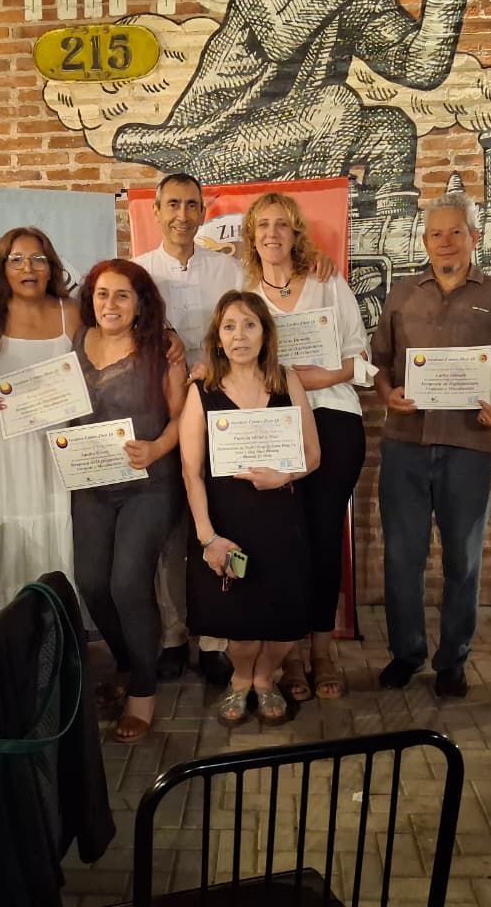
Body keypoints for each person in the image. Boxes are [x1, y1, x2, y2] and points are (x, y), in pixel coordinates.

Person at [113, 0, 472, 216]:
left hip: (313, 132)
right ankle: (310, 235)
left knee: (392, 129)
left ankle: (382, 243)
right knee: (336, 105)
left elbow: (421, 68)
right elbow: (282, 36)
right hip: (217, 146)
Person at [370, 192, 491, 697]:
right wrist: (387, 395)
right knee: (402, 556)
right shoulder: (401, 294)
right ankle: (406, 652)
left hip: (468, 444)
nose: (445, 242)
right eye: (435, 233)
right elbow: (380, 363)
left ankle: (453, 659)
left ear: (474, 238)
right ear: (424, 241)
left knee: (463, 559)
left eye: (455, 232)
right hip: (405, 444)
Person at [239, 192, 368, 701]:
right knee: (281, 541)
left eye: (282, 225)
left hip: (334, 418)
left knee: (320, 537)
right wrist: (285, 384)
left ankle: (321, 647)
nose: (272, 233)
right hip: (271, 426)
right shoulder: (244, 291)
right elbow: (237, 361)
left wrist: (303, 380)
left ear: (296, 234)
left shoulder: (327, 281)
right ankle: (288, 653)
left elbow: (359, 358)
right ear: (251, 236)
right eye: (262, 225)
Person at [180, 291, 321, 726]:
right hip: (229, 524)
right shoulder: (202, 390)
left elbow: (312, 455)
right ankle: (241, 678)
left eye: (248, 325)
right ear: (217, 338)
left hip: (281, 521)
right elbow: (190, 471)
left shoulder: (285, 380)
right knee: (238, 617)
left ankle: (266, 678)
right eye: (229, 326)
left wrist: (284, 477)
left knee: (282, 615)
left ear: (265, 332)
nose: (239, 335)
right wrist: (208, 536)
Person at [71, 259, 187, 743]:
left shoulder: (163, 349)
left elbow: (185, 416)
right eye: (102, 294)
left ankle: (143, 688)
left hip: (150, 484)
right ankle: (126, 660)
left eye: (122, 295)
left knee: (127, 583)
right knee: (92, 583)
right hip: (92, 484)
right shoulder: (76, 344)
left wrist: (158, 447)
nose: (110, 304)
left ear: (140, 302)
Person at [133, 173, 243, 685]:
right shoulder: (137, 273)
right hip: (159, 413)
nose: (182, 214)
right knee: (169, 532)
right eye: (172, 205)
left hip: (222, 409)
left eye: (191, 205)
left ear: (203, 212)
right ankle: (174, 636)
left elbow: (248, 327)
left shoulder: (228, 269)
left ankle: (215, 640)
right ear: (155, 211)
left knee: (218, 521)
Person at [0, 227, 80, 642]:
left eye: (38, 259)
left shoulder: (74, 312)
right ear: (2, 267)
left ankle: (57, 639)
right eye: (16, 259)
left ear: (51, 266)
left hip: (57, 446)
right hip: (6, 449)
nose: (28, 268)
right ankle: (1, 643)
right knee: (8, 535)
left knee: (56, 528)